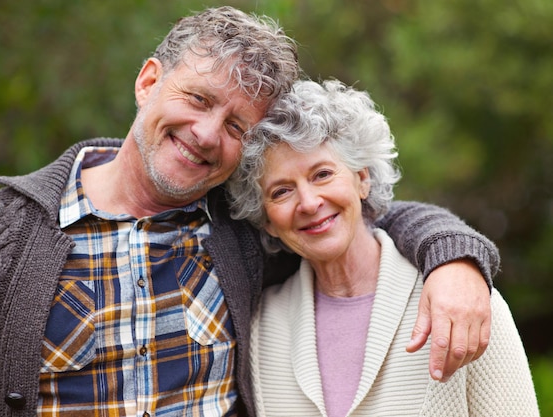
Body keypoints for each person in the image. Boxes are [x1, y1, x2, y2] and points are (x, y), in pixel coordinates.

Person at [0, 6, 499, 417]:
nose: (205, 134)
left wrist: (454, 261)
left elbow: (352, 216)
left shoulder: (242, 231)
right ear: (148, 82)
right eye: (198, 99)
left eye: (234, 126)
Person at [226, 79, 539, 416]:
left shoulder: (463, 298)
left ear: (362, 179)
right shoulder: (261, 326)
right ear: (268, 221)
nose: (309, 202)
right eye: (281, 192)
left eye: (322, 174)